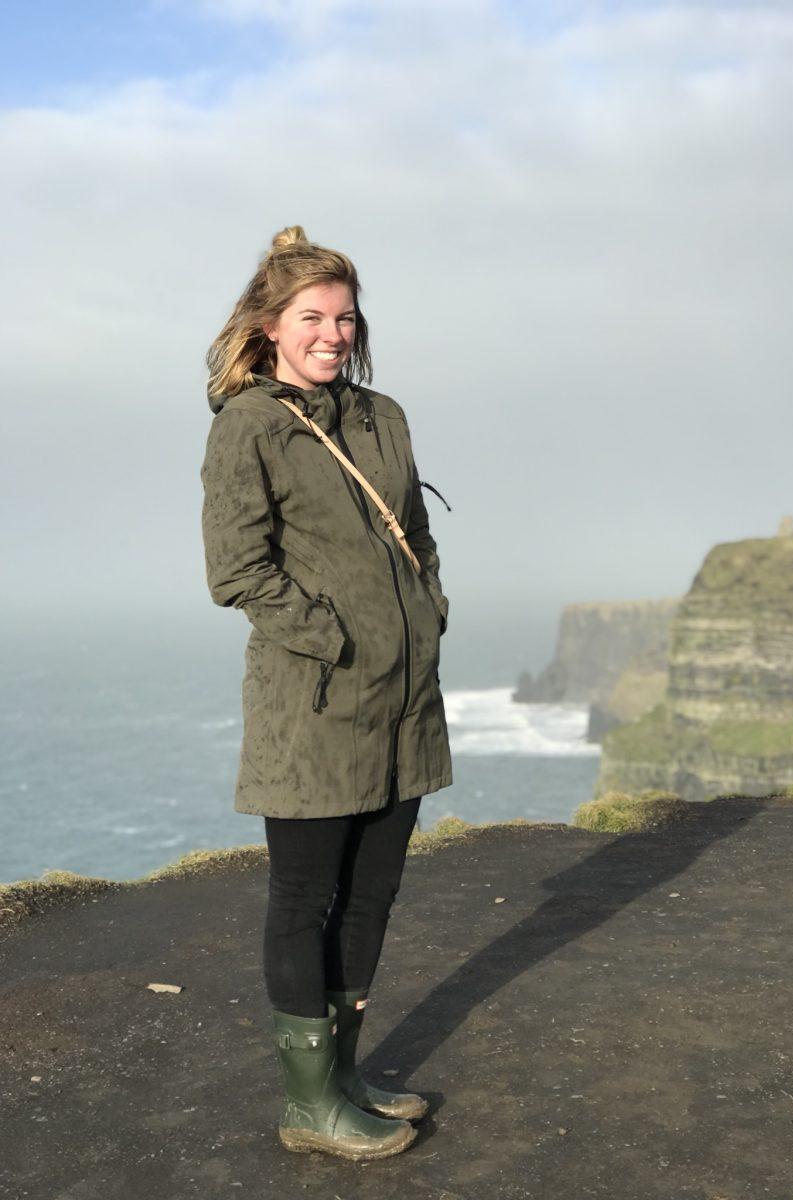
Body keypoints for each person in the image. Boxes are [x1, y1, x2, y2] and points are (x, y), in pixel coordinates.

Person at [200, 225, 453, 1161]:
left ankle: (344, 1076)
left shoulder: (383, 415)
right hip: (313, 706)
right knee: (306, 895)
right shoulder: (250, 427)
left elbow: (414, 532)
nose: (333, 333)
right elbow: (237, 572)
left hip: (404, 704)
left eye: (345, 316)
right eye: (313, 316)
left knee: (374, 893)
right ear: (270, 326)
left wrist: (426, 610)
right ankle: (308, 1103)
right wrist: (337, 638)